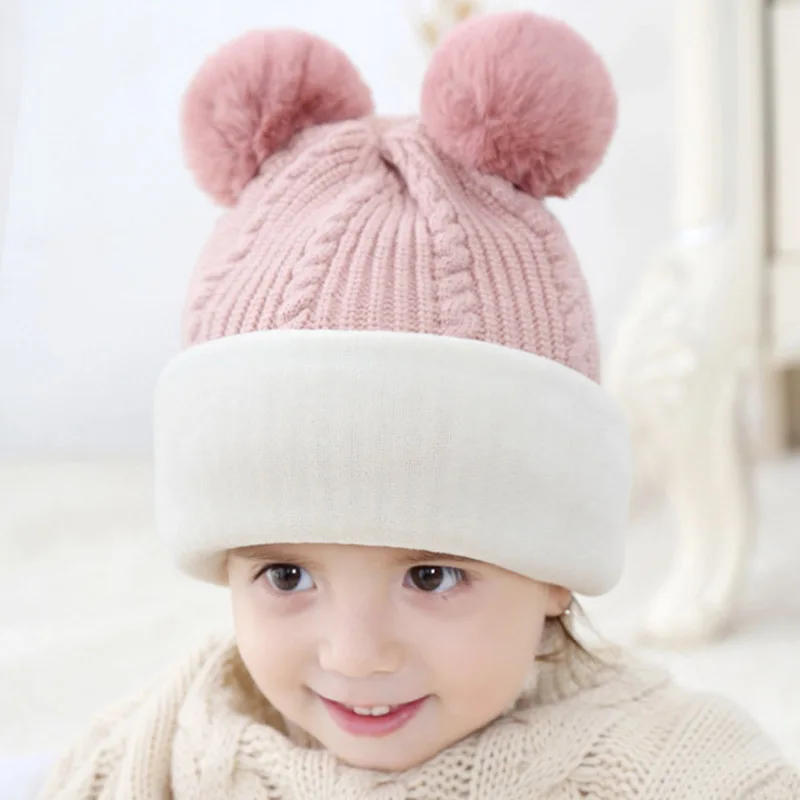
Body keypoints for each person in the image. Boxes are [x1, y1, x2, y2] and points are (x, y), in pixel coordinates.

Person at [34, 11, 799, 799]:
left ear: (555, 571)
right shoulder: (166, 741)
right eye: (287, 576)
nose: (355, 654)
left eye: (432, 577)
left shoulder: (670, 768)